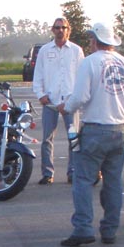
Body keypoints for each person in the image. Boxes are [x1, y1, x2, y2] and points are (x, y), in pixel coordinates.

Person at [59, 22, 124, 246]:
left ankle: (83, 228)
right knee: (113, 182)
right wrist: (120, 110)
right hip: (120, 129)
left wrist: (67, 107)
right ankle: (109, 229)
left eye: (91, 39)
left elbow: (80, 97)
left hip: (95, 128)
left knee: (83, 180)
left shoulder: (89, 62)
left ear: (95, 41)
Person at [32, 16, 85, 184]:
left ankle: (73, 172)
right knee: (47, 139)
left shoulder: (76, 51)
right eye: (57, 27)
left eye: (63, 27)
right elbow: (38, 75)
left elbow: (82, 77)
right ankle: (47, 173)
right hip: (50, 102)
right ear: (52, 30)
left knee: (73, 138)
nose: (60, 30)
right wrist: (40, 94)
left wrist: (73, 99)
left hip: (70, 103)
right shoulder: (45, 50)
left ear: (68, 30)